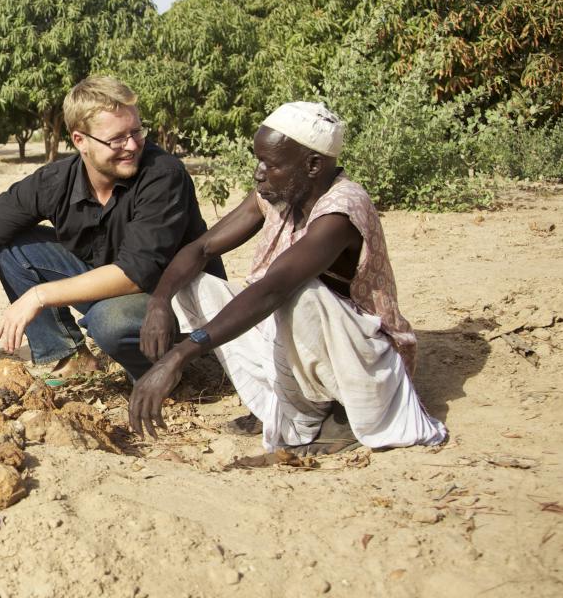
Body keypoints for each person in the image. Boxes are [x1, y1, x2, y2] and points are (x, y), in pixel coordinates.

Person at [128, 102, 447, 454]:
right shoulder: (278, 195)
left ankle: (340, 416)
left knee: (300, 292)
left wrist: (179, 355)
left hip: (360, 362)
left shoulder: (341, 211)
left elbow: (273, 289)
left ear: (312, 165)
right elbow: (202, 249)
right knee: (189, 284)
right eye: (259, 161)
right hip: (297, 339)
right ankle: (286, 408)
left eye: (272, 164)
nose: (259, 173)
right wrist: (159, 302)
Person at [0, 76, 223, 381]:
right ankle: (71, 357)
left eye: (137, 132)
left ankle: (168, 372)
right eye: (117, 139)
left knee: (108, 321)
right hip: (116, 288)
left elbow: (134, 274)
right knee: (13, 246)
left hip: (179, 299)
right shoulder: (54, 182)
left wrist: (38, 296)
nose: (133, 145)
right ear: (79, 140)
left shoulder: (163, 175)